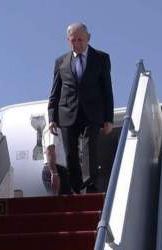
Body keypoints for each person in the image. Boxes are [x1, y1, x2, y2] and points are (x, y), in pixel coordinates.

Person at [47, 22, 114, 193]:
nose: (76, 43)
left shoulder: (101, 58)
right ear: (67, 40)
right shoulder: (61, 61)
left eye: (80, 39)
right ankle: (77, 187)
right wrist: (52, 118)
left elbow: (107, 89)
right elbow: (55, 91)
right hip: (67, 112)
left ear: (88, 38)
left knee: (89, 148)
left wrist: (108, 119)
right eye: (73, 40)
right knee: (71, 154)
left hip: (92, 112)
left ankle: (90, 185)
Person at [42, 126, 72, 195]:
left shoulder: (59, 129)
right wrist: (54, 174)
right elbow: (50, 150)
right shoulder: (53, 128)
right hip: (55, 169)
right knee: (57, 201)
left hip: (59, 169)